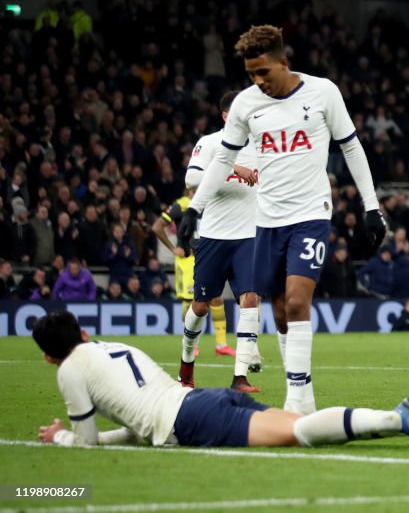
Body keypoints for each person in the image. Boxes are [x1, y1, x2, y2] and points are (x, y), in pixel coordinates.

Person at [178, 25, 387, 415]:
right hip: (266, 221)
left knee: (295, 301)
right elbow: (224, 158)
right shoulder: (245, 104)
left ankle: (298, 402)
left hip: (310, 215)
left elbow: (351, 147)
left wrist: (371, 206)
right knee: (278, 310)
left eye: (264, 73)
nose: (259, 81)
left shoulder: (323, 92)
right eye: (251, 74)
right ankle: (299, 400)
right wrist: (194, 208)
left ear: (283, 62)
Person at [31, 311, 409, 450]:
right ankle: (406, 420)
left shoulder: (70, 368)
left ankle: (400, 418)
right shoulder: (110, 348)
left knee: (299, 433)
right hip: (201, 400)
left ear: (50, 356)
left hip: (191, 421)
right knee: (296, 429)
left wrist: (60, 438)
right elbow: (138, 423)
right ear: (84, 333)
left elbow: (84, 442)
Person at [178, 91, 263, 393]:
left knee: (250, 298)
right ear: (227, 115)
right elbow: (192, 179)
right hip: (213, 237)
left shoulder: (260, 145)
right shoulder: (211, 143)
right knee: (200, 306)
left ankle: (240, 377)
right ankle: (186, 365)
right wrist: (232, 169)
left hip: (249, 237)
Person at [152, 191, 236, 357]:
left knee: (217, 298)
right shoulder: (181, 205)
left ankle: (221, 345)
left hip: (207, 256)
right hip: (188, 259)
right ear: (190, 190)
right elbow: (157, 226)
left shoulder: (210, 200)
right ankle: (191, 343)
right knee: (192, 301)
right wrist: (172, 248)